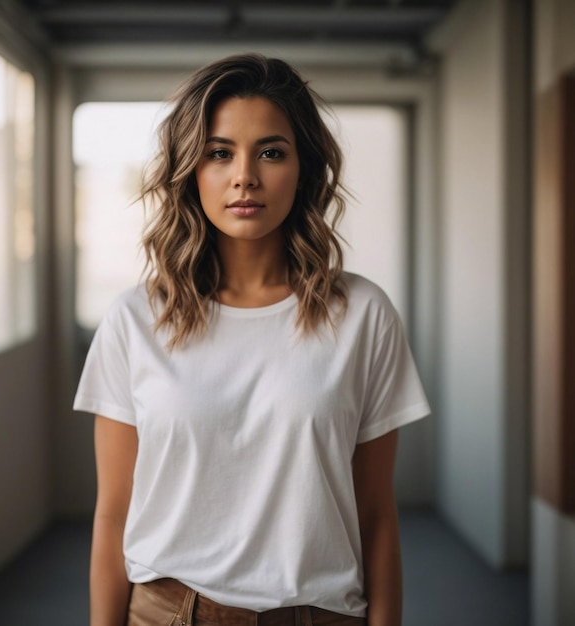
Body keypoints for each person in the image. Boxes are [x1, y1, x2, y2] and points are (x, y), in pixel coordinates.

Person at [74, 53, 430, 626]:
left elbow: (377, 515)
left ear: (303, 168)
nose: (245, 176)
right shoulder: (136, 319)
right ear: (192, 170)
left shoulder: (363, 314)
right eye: (220, 153)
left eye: (271, 151)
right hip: (166, 613)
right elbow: (112, 516)